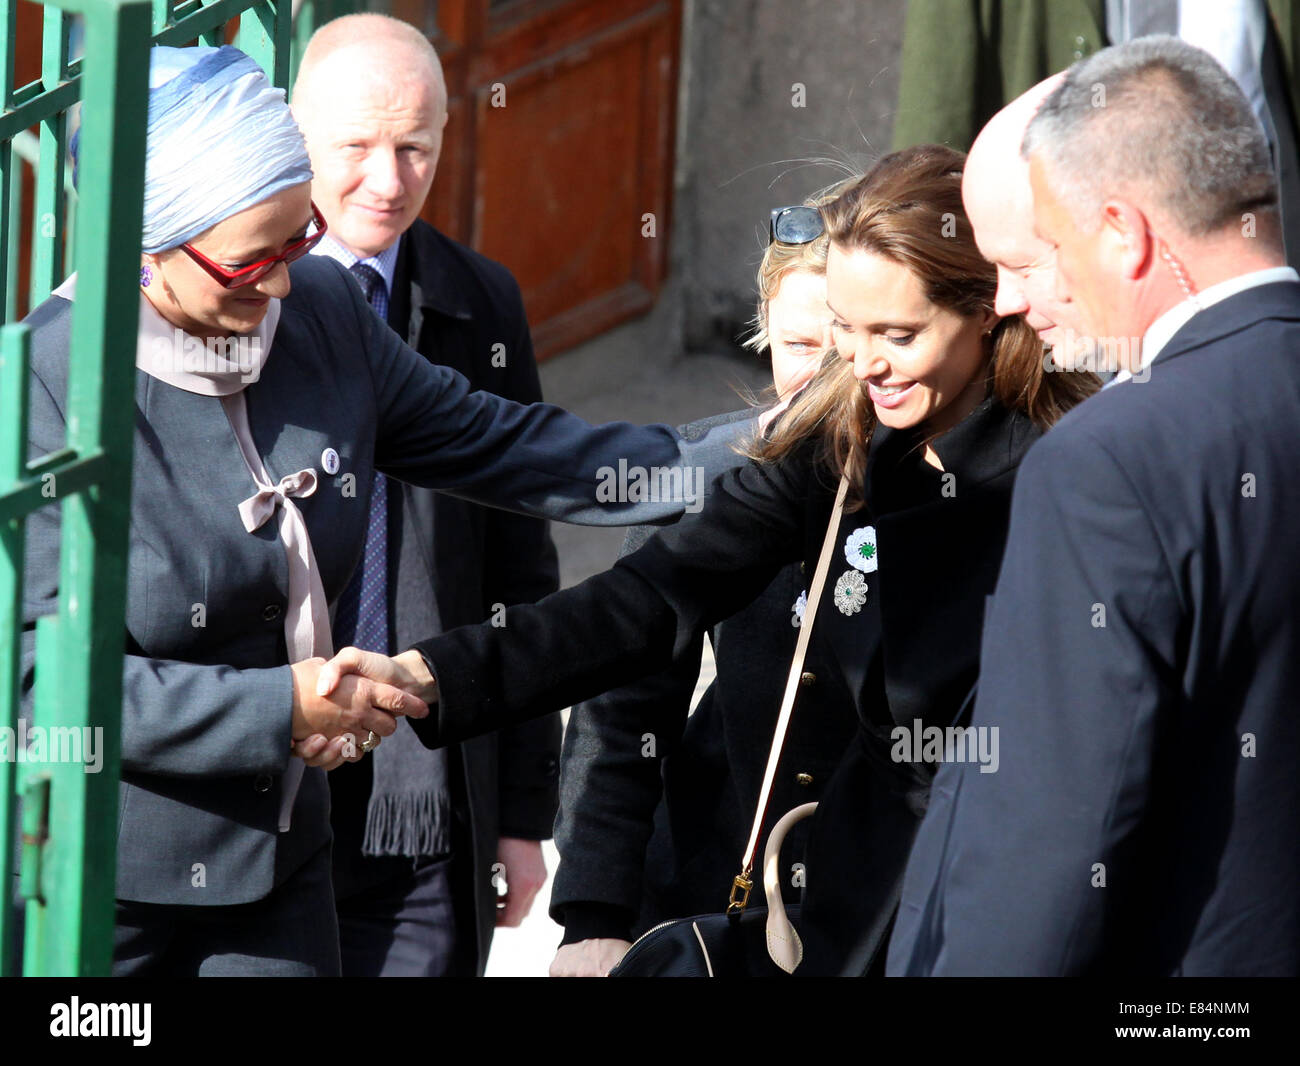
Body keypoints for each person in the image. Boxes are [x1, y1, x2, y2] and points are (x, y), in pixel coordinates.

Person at [19, 43, 751, 977]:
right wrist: (277, 706)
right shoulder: (45, 389)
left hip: (283, 862)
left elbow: (517, 449)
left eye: (298, 241)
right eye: (251, 265)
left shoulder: (320, 308)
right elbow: (40, 686)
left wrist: (763, 452)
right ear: (144, 249)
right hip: (100, 886)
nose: (283, 282)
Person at [319, 143, 1098, 975]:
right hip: (809, 912)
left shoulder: (1074, 473)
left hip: (980, 912)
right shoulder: (834, 444)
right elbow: (643, 607)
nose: (861, 364)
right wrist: (431, 676)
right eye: (842, 331)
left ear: (987, 309)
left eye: (897, 335)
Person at [887, 37, 1300, 976]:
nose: (1026, 299)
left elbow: (1055, 826)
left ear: (1123, 229)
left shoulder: (1108, 462)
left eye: (1051, 246)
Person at [290, 14, 559, 977]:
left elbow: (519, 564)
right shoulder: (247, 294)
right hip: (275, 779)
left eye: (416, 147)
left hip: (428, 794)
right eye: (355, 147)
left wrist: (524, 815)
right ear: (296, 136)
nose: (389, 180)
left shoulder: (479, 300)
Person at [550, 195, 857, 976]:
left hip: (881, 903)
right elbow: (622, 706)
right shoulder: (702, 467)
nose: (820, 376)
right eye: (798, 343)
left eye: (844, 347)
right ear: (762, 322)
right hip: (711, 889)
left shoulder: (955, 481)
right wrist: (593, 916)